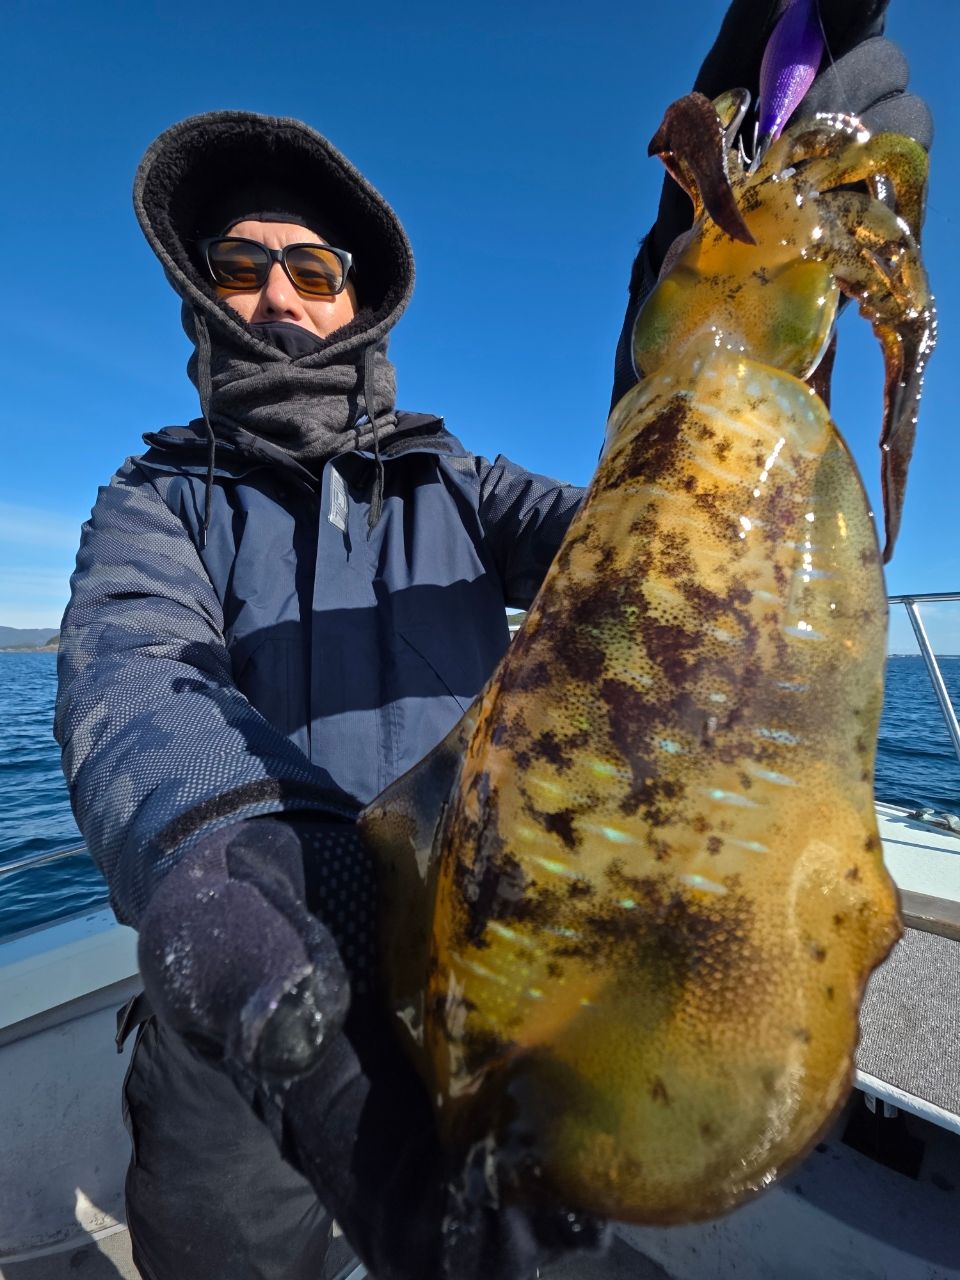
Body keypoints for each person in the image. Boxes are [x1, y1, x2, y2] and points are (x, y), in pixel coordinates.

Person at [54, 3, 932, 1278]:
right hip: (260, 988)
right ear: (201, 291)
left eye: (313, 267)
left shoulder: (453, 480)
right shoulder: (156, 502)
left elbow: (644, 540)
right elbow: (133, 682)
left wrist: (713, 302)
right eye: (243, 263)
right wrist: (243, 858)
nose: (280, 295)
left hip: (483, 949)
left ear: (357, 295)